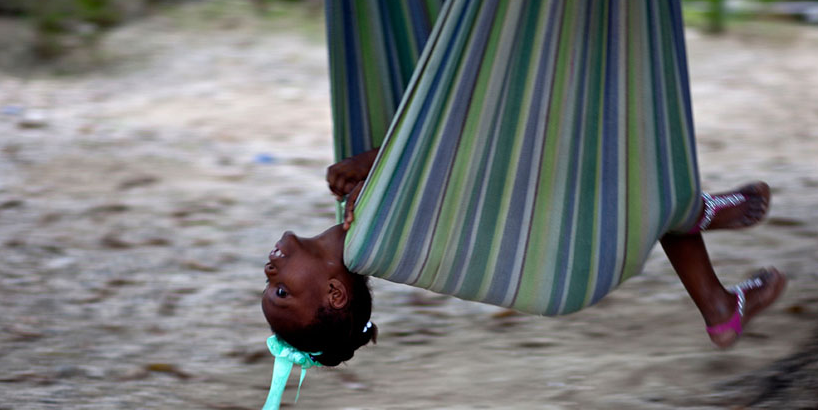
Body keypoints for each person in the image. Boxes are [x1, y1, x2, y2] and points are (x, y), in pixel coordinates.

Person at [261, 147, 786, 366]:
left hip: (532, 202)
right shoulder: (373, 231)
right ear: (334, 291)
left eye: (269, 285)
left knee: (623, 154)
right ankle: (698, 212)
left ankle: (719, 308)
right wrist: (374, 160)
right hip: (545, 222)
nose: (269, 272)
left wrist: (365, 165)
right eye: (281, 291)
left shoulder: (364, 225)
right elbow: (439, 153)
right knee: (630, 157)